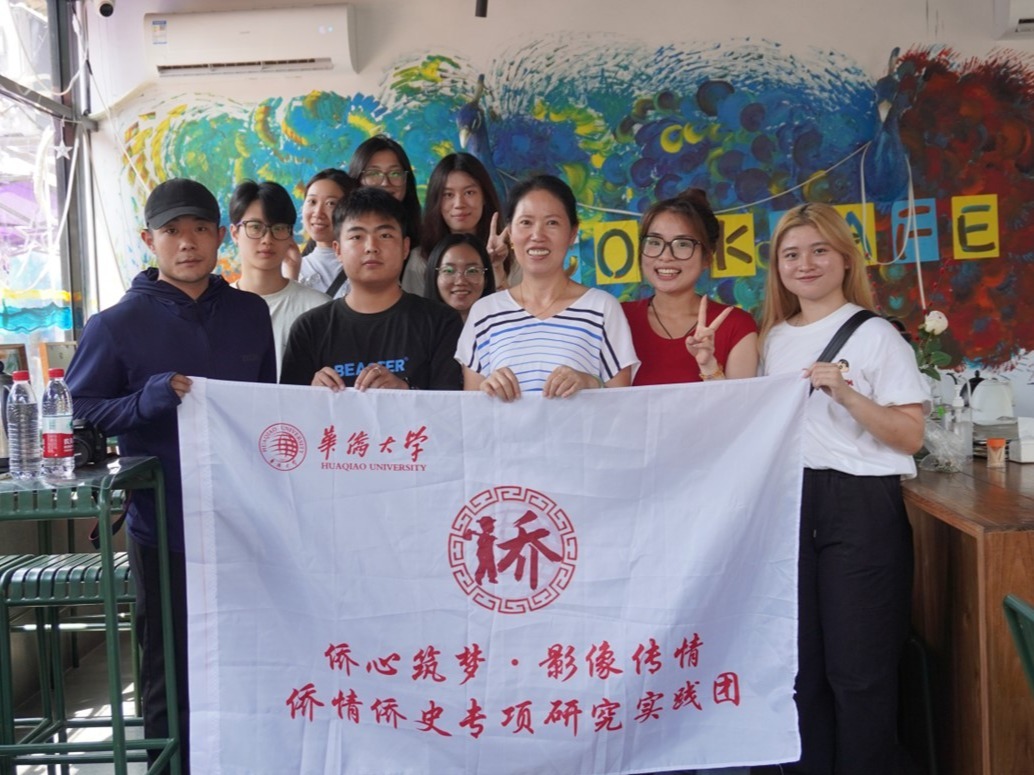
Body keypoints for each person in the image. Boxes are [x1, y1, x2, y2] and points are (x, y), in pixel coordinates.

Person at [65, 178, 277, 772]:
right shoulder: (115, 324)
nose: (188, 242)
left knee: (249, 654)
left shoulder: (250, 313)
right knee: (168, 662)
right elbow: (77, 412)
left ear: (221, 236)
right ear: (148, 240)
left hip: (245, 521)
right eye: (173, 231)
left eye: (201, 228)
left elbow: (266, 405)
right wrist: (147, 399)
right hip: (163, 526)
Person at [756, 202, 928, 775]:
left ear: (845, 258)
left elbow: (909, 435)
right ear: (777, 267)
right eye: (791, 254)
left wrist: (848, 395)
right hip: (790, 505)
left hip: (859, 506)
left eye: (819, 250)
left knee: (859, 671)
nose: (805, 264)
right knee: (799, 669)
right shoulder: (773, 339)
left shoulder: (877, 336)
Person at [457, 174, 638, 400]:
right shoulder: (484, 313)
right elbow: (471, 410)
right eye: (526, 222)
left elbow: (624, 405)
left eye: (552, 223)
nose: (537, 236)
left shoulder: (602, 308)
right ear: (510, 233)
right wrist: (488, 389)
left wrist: (591, 382)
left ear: (572, 233)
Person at [280, 186, 462, 390]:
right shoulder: (310, 328)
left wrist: (405, 391)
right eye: (357, 237)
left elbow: (452, 406)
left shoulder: (441, 322)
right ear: (338, 250)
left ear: (405, 247)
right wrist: (311, 395)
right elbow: (288, 407)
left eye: (385, 235)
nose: (371, 247)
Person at [622, 189, 758, 385]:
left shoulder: (736, 325)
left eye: (683, 244)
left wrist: (709, 367)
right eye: (654, 242)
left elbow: (741, 403)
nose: (665, 256)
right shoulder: (618, 318)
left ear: (707, 258)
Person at [228, 179, 328, 377]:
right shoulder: (217, 308)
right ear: (235, 233)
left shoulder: (318, 309)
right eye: (255, 227)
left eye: (279, 228)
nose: (267, 239)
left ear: (290, 236)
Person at [420, 152, 512, 292]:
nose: (459, 204)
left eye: (469, 193)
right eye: (448, 195)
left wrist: (497, 269)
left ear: (484, 197)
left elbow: (519, 306)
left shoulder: (510, 257)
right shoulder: (420, 259)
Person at [347, 135, 424, 293]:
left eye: (395, 173)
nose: (385, 183)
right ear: (357, 179)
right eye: (373, 174)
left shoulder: (425, 241)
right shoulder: (337, 235)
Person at [292, 168, 358, 297]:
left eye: (331, 203)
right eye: (312, 201)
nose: (318, 212)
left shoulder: (366, 265)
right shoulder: (292, 268)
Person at [423, 233, 495, 322]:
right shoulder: (417, 326)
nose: (460, 281)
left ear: (486, 279)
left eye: (472, 271)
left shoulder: (502, 325)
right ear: (434, 277)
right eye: (449, 271)